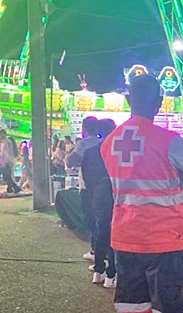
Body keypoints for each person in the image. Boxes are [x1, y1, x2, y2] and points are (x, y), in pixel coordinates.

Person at [101, 74, 183, 313]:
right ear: (160, 102)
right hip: (165, 239)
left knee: (132, 307)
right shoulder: (169, 141)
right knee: (172, 307)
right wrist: (175, 178)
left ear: (129, 99)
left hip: (126, 237)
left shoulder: (108, 143)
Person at [82, 119, 118, 289]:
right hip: (113, 193)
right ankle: (111, 275)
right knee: (114, 233)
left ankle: (98, 271)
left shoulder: (90, 152)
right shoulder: (116, 150)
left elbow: (86, 176)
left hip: (97, 194)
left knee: (101, 231)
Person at [66, 116, 100, 263]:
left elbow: (70, 160)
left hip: (87, 187)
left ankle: (95, 250)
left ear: (84, 129)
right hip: (102, 186)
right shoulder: (101, 142)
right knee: (101, 220)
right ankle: (101, 250)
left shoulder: (84, 144)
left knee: (92, 219)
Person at [0, 129, 21, 195]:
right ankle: (14, 188)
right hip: (3, 162)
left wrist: (5, 162)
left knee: (4, 176)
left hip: (6, 162)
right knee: (5, 176)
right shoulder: (2, 143)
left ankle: (13, 188)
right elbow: (0, 152)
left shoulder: (7, 143)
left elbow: (6, 154)